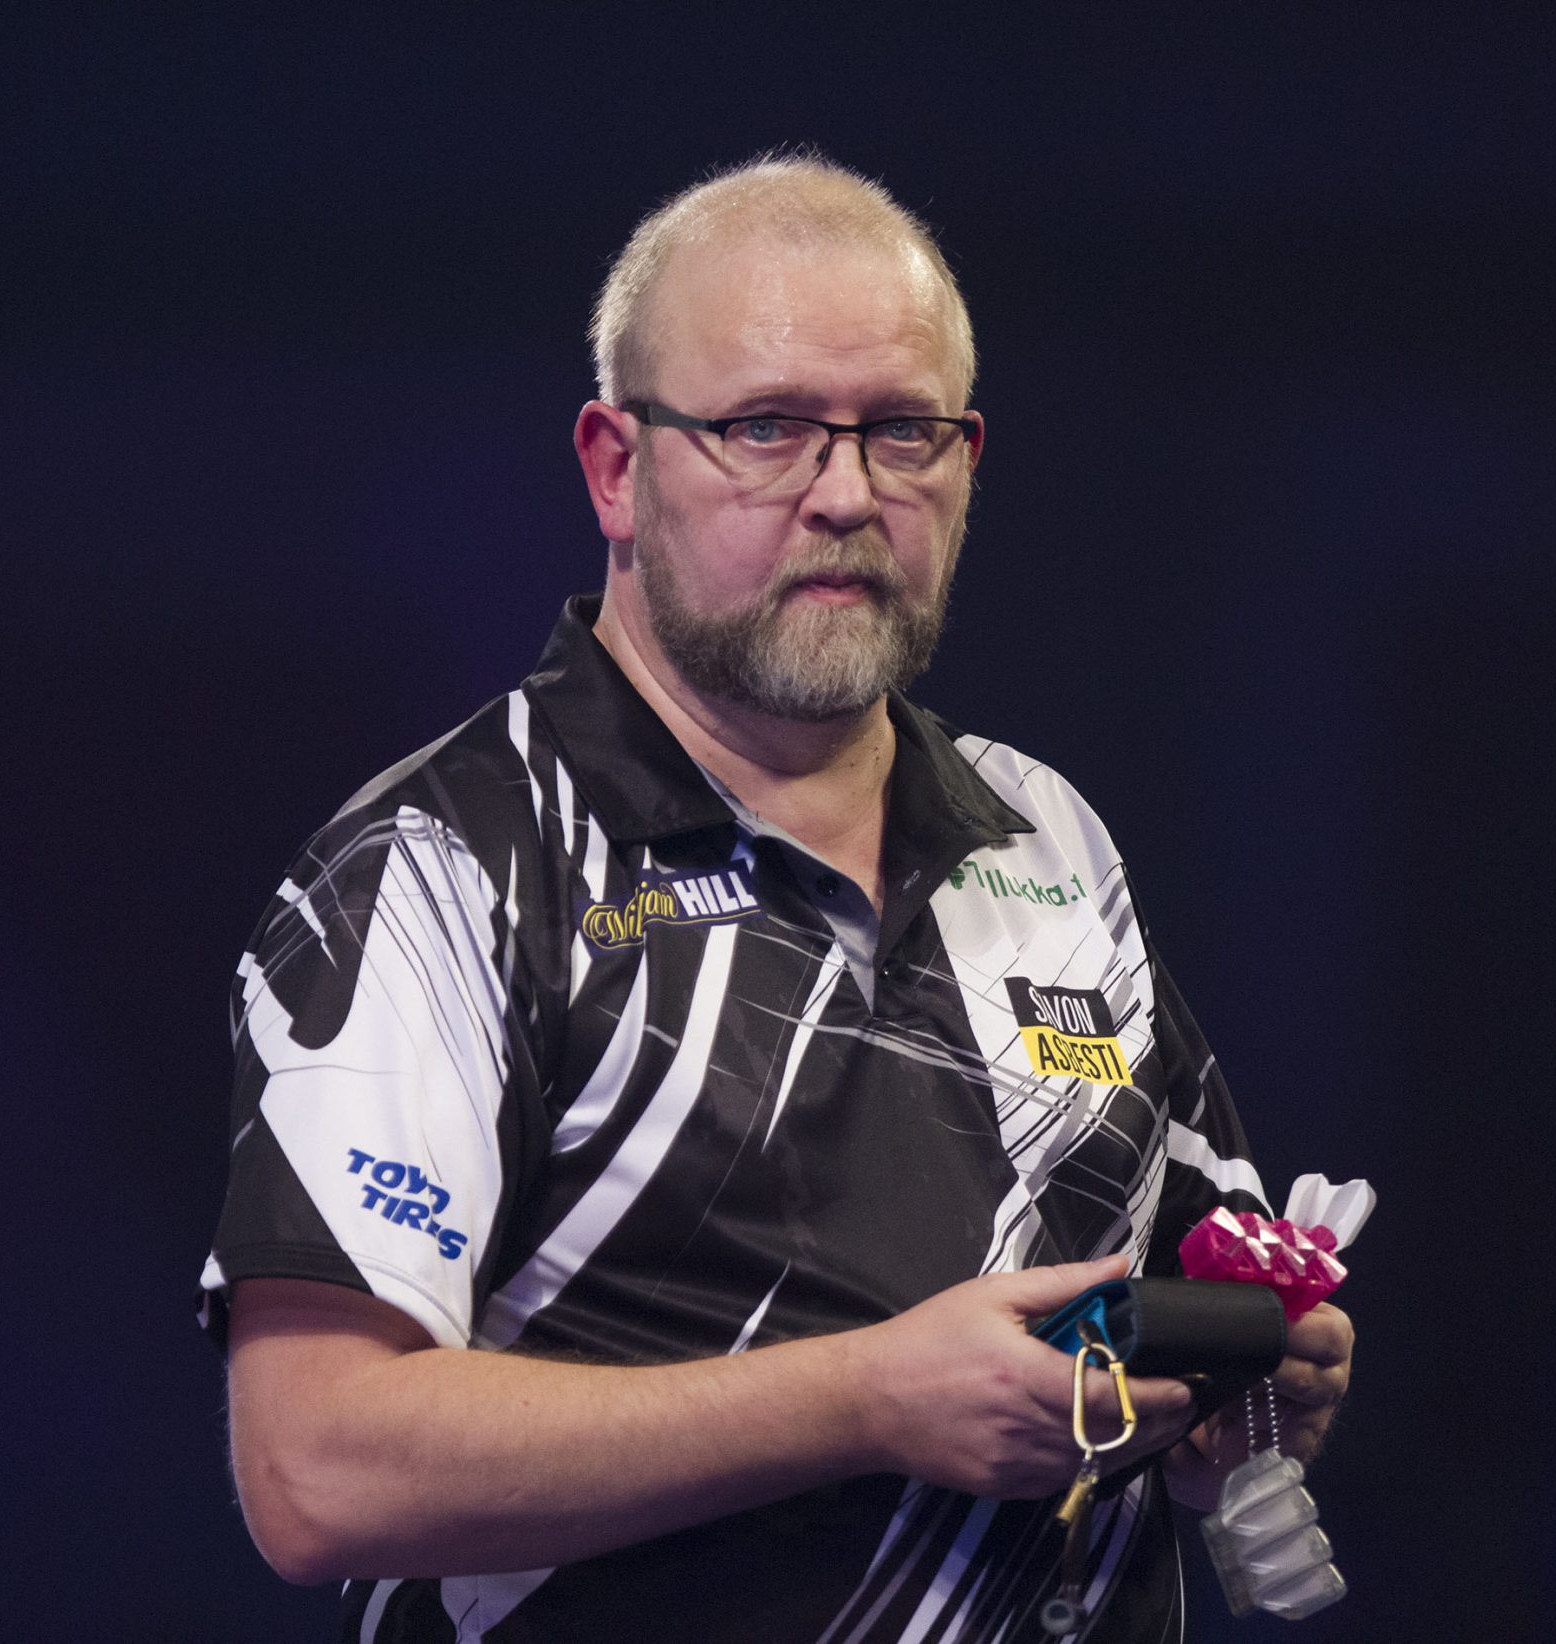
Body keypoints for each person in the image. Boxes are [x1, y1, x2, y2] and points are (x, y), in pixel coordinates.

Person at [200, 151, 1354, 1643]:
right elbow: (317, 1471)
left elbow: (1187, 1314)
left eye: (903, 432)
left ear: (969, 463)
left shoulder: (1045, 833)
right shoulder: (449, 866)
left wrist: (1241, 1390)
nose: (847, 495)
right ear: (616, 468)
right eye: (767, 429)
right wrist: (865, 1402)